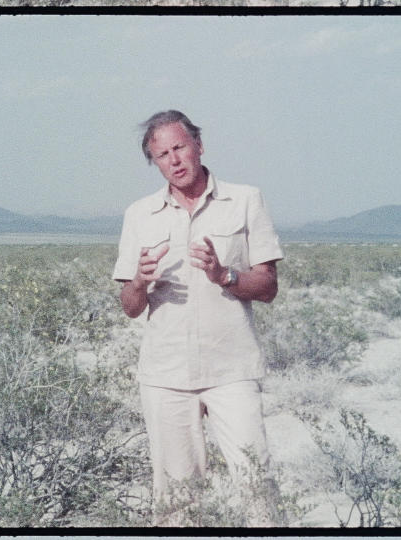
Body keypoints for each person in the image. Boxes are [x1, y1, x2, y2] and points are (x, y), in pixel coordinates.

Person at [112, 110, 285, 526]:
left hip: (232, 368)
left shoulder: (245, 200)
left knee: (257, 487)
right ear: (153, 162)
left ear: (199, 146)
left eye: (179, 147)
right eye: (162, 154)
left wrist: (224, 275)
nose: (173, 160)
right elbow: (130, 305)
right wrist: (139, 280)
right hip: (166, 374)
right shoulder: (140, 214)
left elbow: (268, 287)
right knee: (177, 501)